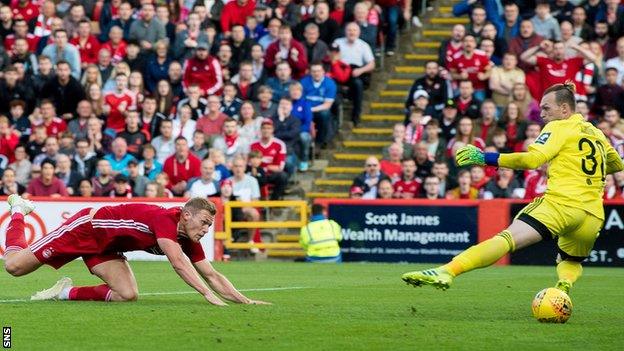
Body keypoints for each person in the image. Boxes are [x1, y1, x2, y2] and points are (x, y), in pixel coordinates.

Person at [402, 82, 624, 295]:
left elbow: (532, 160)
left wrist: (484, 157)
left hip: (562, 204)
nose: (542, 114)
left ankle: (446, 271)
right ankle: (562, 287)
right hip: (593, 214)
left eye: (546, 108)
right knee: (569, 260)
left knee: (507, 238)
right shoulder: (597, 134)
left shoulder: (558, 126)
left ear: (564, 109)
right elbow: (616, 164)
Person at [3, 195, 270, 306]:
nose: (206, 229)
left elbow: (211, 273)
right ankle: (18, 210)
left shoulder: (188, 236)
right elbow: (178, 263)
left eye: (210, 225)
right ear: (186, 215)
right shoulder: (165, 220)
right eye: (204, 222)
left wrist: (243, 300)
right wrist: (207, 296)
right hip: (86, 229)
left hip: (108, 247)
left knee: (126, 294)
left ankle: (62, 292)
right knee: (14, 267)